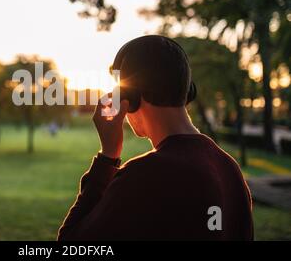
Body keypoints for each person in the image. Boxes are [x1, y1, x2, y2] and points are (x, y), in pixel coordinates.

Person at [58, 35, 253, 241]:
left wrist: (108, 156)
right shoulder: (230, 170)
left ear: (130, 97)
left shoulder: (144, 175)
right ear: (187, 91)